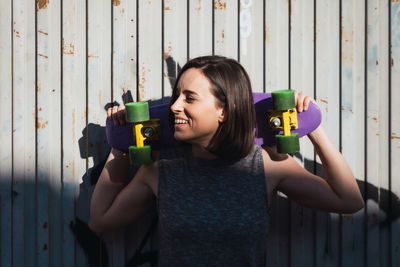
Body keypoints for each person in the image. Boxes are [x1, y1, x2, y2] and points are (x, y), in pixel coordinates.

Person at [89, 55, 364, 266]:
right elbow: (100, 220)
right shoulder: (161, 168)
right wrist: (120, 141)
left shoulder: (265, 165)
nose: (174, 106)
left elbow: (349, 200)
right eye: (176, 96)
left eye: (190, 98)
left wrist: (311, 123)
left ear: (225, 110)